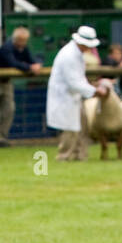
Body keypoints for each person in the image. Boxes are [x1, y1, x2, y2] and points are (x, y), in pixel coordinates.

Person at [47, 25, 109, 162]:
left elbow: (78, 79)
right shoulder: (69, 55)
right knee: (70, 128)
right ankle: (64, 156)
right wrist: (94, 91)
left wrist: (91, 86)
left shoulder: (77, 54)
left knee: (82, 126)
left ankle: (80, 156)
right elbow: (73, 82)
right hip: (65, 97)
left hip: (74, 96)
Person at [0, 26, 41, 147]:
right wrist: (29, 68)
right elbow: (13, 63)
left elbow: (30, 59)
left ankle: (2, 136)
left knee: (9, 109)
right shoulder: (7, 47)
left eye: (25, 40)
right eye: (21, 40)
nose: (23, 43)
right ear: (15, 39)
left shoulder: (23, 48)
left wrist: (35, 65)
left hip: (6, 81)